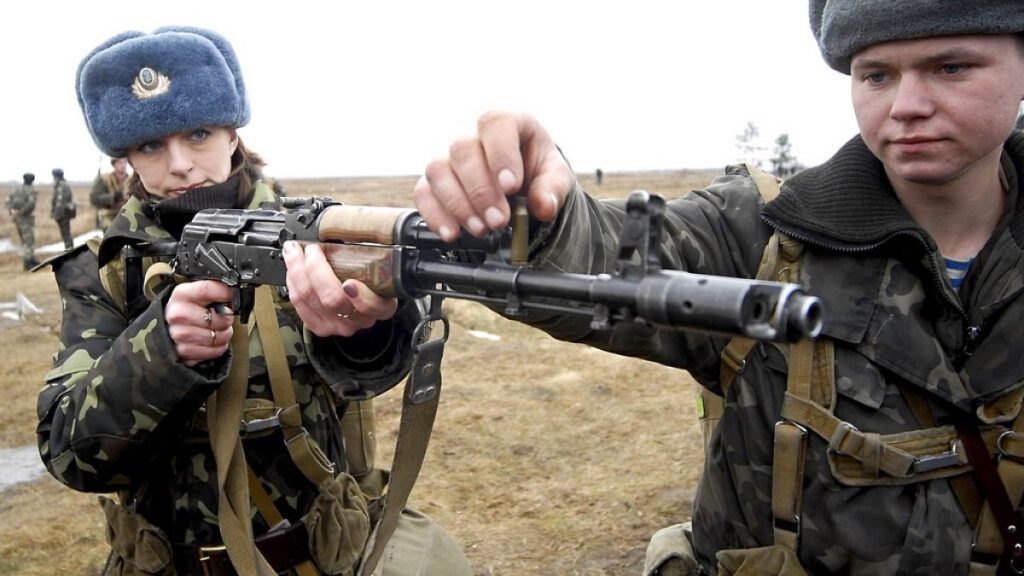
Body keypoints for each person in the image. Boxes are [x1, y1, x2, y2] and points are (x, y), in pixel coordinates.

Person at [412, 2, 1024, 573]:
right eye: (877, 76)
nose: (907, 105)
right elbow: (606, 258)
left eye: (951, 67)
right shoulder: (763, 235)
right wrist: (533, 217)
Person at [37, 27, 471, 576]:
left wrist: (365, 327)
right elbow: (71, 455)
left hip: (320, 556)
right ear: (125, 158)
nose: (179, 164)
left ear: (232, 134)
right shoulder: (104, 270)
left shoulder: (312, 235)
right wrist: (161, 351)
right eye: (150, 146)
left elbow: (370, 372)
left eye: (198, 134)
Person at [7, 172, 39, 270]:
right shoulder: (31, 190)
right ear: (32, 181)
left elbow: (8, 200)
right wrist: (20, 212)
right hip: (25, 219)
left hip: (17, 220)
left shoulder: (17, 189)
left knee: (25, 241)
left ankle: (31, 259)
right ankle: (28, 262)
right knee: (29, 241)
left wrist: (12, 211)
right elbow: (31, 203)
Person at [89, 156, 129, 231]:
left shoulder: (131, 180)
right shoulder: (104, 179)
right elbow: (94, 198)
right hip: (108, 215)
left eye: (125, 162)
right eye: (120, 162)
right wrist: (113, 198)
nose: (123, 165)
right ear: (114, 164)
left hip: (126, 216)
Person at [50, 167, 75, 249]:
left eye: (53, 176)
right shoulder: (63, 184)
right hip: (64, 213)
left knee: (66, 234)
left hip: (62, 214)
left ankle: (69, 250)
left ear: (56, 176)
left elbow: (59, 202)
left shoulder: (61, 185)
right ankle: (69, 249)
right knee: (66, 233)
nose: (53, 178)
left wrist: (56, 215)